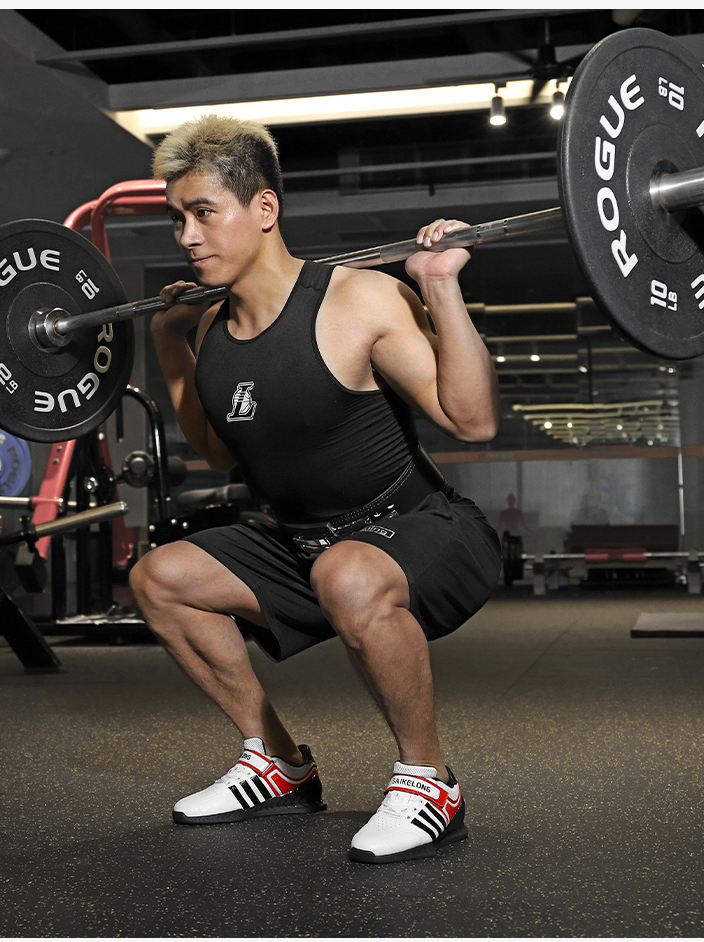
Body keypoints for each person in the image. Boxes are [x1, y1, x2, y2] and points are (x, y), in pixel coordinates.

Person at [129, 113, 503, 865]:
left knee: (348, 572)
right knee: (159, 578)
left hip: (422, 528)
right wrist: (170, 343)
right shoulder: (209, 330)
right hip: (302, 543)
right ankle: (278, 763)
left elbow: (472, 420)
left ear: (264, 207)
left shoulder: (359, 299)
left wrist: (438, 286)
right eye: (177, 219)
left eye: (204, 212)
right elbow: (218, 454)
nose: (187, 237)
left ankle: (430, 782)